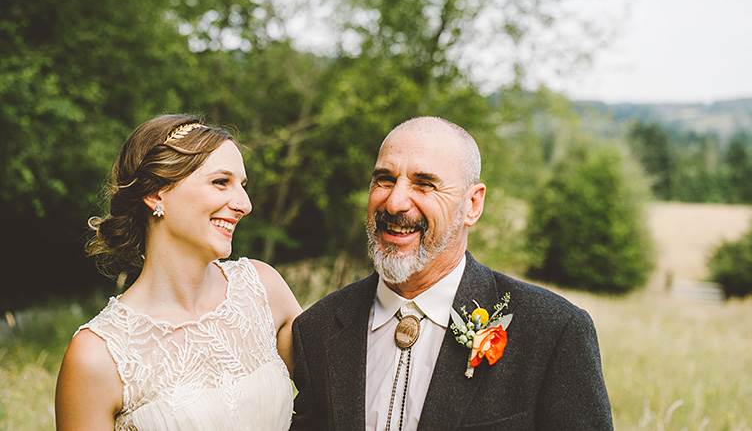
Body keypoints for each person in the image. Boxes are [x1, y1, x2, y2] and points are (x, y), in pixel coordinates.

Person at [290, 116, 613, 430]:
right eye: (384, 180)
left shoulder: (552, 331)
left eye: (424, 184)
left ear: (472, 205)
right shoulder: (317, 328)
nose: (394, 203)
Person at [55, 114, 302, 431]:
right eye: (221, 182)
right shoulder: (97, 356)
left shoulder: (263, 290)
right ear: (156, 193)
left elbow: (340, 397)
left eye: (243, 186)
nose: (244, 204)